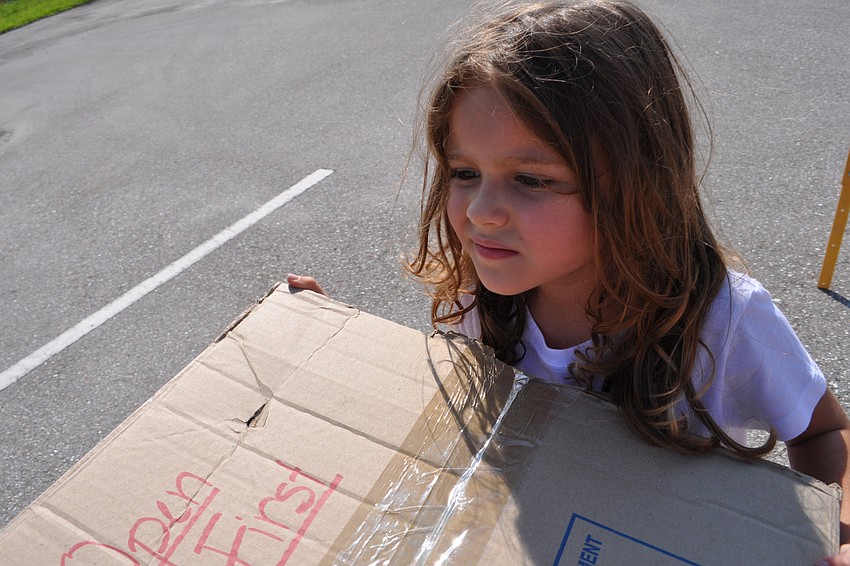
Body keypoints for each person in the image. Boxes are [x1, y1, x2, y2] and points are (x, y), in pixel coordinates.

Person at [288, 1, 850, 563]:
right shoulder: (476, 299)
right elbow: (448, 427)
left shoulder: (723, 320)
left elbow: (824, 435)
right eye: (464, 173)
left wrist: (838, 537)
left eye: (531, 179)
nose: (481, 211)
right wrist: (342, 357)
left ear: (636, 182)